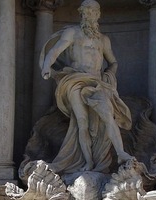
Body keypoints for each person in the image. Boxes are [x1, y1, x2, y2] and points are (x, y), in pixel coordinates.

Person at [40, 0, 134, 174]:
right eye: (87, 11)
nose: (90, 15)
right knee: (81, 121)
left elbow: (113, 62)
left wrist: (110, 74)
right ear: (81, 13)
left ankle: (121, 153)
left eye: (94, 12)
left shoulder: (103, 40)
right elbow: (55, 51)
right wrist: (47, 65)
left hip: (97, 82)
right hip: (75, 79)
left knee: (107, 115)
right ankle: (89, 162)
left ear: (99, 15)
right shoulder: (72, 33)